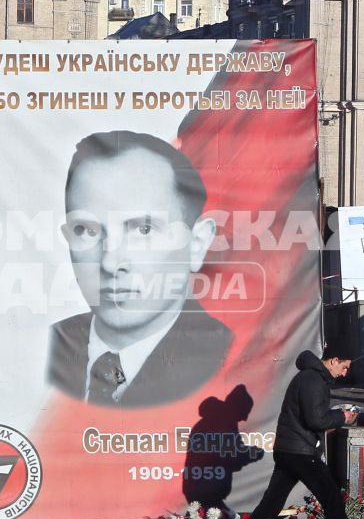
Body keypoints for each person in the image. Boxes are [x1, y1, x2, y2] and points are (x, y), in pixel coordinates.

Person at [47, 131, 232, 408]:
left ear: (197, 243)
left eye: (143, 229)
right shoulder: (41, 351)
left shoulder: (232, 357)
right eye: (86, 230)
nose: (110, 263)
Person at [228, 351, 364, 519]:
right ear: (333, 360)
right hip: (301, 453)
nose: (345, 372)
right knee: (333, 502)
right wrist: (343, 417)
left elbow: (311, 417)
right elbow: (315, 419)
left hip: (291, 451)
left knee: (269, 506)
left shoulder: (309, 378)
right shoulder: (313, 380)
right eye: (345, 366)